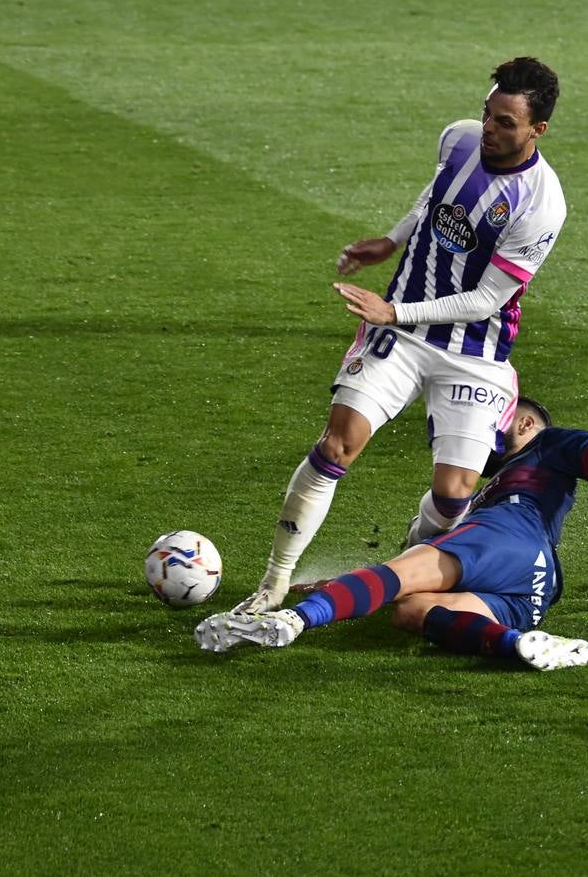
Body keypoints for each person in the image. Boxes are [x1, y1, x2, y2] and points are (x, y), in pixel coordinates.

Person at [230, 58, 568, 617]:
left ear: (538, 130)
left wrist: (395, 310)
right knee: (339, 443)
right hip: (402, 334)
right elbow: (435, 196)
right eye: (488, 114)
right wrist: (391, 241)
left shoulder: (541, 202)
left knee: (456, 493)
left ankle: (408, 567)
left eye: (506, 122)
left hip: (473, 351)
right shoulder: (458, 139)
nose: (489, 127)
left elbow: (488, 299)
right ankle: (274, 580)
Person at [197, 397, 588, 670]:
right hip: (534, 588)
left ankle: (292, 623)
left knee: (399, 581)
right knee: (409, 609)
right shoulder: (481, 490)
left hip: (511, 536)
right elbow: (412, 575)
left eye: (498, 414)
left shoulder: (549, 446)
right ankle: (521, 644)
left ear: (525, 423)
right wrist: (346, 584)